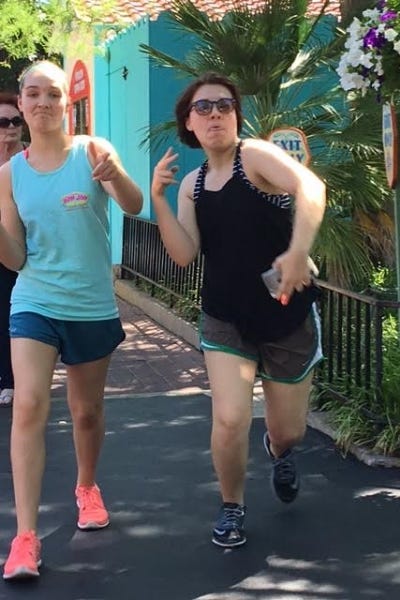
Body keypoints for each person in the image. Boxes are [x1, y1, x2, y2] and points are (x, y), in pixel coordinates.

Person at [151, 72, 326, 548]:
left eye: (223, 106)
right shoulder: (194, 184)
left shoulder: (256, 157)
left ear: (235, 115)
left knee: (287, 429)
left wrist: (296, 251)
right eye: (203, 108)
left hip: (286, 312)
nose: (214, 115)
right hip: (225, 316)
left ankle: (279, 450)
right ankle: (232, 506)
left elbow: (311, 189)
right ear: (189, 122)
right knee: (229, 418)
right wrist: (159, 200)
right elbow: (185, 254)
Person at [0, 61, 143, 580]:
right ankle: (24, 538)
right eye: (33, 94)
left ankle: (86, 486)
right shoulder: (9, 175)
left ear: (66, 103)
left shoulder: (94, 151)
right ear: (22, 103)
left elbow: (134, 203)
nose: (43, 103)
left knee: (86, 413)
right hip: (35, 300)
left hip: (90, 304)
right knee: (30, 405)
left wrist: (118, 175)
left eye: (53, 94)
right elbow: (15, 259)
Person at [0, 93, 27, 407]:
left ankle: (14, 379)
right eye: (2, 122)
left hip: (25, 249)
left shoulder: (31, 158)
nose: (9, 127)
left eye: (15, 121)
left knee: (14, 314)